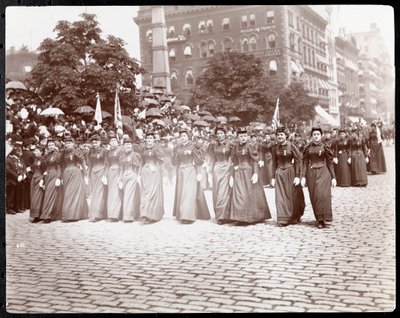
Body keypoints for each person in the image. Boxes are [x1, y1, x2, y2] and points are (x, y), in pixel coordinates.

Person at [229, 128, 271, 225]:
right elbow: (233, 159)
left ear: (247, 137)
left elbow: (255, 160)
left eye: (244, 136)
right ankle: (240, 217)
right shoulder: (235, 147)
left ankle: (249, 217)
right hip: (239, 172)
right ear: (237, 137)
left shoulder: (250, 146)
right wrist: (234, 168)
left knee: (249, 194)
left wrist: (256, 173)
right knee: (239, 194)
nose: (243, 138)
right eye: (241, 136)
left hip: (249, 171)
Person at [172, 129, 210, 224]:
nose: (182, 138)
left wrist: (199, 173)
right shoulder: (178, 147)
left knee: (188, 193)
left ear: (188, 137)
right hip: (181, 171)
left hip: (190, 170)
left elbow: (199, 160)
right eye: (181, 136)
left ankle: (188, 216)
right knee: (182, 193)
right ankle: (182, 214)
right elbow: (175, 162)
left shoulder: (193, 146)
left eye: (184, 136)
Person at [301, 127, 336, 229]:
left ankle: (324, 218)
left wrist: (333, 177)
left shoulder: (325, 146)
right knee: (314, 196)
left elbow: (330, 162)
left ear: (321, 136)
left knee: (322, 195)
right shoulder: (308, 148)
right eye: (314, 134)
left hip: (324, 173)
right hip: (311, 173)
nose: (316, 136)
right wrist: (303, 176)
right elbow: (304, 162)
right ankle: (319, 218)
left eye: (318, 134)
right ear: (311, 136)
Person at [271, 127, 305, 227]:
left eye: (281, 135)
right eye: (278, 135)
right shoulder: (275, 148)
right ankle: (283, 218)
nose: (279, 137)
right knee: (280, 196)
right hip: (280, 174)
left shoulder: (291, 146)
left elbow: (298, 160)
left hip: (290, 172)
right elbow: (274, 163)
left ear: (286, 135)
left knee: (292, 195)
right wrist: (272, 177)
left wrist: (298, 176)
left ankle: (294, 215)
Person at [207, 126, 233, 224]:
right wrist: (210, 170)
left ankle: (224, 215)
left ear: (225, 134)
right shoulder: (213, 145)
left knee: (224, 191)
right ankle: (218, 215)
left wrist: (232, 170)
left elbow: (232, 157)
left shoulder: (230, 144)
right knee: (217, 191)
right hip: (217, 168)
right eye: (218, 134)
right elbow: (212, 158)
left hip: (227, 167)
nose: (220, 135)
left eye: (221, 133)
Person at [138, 132, 165, 224]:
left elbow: (161, 160)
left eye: (151, 138)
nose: (149, 140)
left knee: (152, 193)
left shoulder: (157, 149)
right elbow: (141, 162)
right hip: (145, 172)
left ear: (154, 140)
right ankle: (145, 213)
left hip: (154, 172)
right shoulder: (143, 149)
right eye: (148, 138)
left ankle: (152, 215)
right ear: (146, 140)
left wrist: (158, 168)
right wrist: (139, 174)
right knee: (145, 192)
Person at [60, 136, 89, 221]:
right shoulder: (64, 153)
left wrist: (85, 174)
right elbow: (62, 164)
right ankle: (75, 214)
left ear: (73, 144)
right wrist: (61, 176)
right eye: (66, 143)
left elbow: (82, 161)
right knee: (67, 193)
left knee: (73, 193)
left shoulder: (76, 151)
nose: (67, 144)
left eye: (69, 143)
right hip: (66, 173)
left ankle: (72, 215)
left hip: (75, 173)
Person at [119, 137, 141, 222]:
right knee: (127, 195)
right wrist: (120, 179)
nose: (128, 146)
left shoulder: (135, 155)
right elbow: (121, 168)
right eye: (126, 144)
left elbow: (138, 166)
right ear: (123, 146)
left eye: (129, 144)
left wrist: (138, 176)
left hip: (132, 174)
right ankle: (133, 214)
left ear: (132, 145)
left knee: (129, 195)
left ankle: (128, 216)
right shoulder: (122, 156)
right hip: (125, 175)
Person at [40, 138, 62, 223]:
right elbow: (43, 166)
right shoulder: (46, 155)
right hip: (47, 175)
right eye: (49, 145)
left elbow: (59, 167)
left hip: (54, 174)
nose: (51, 146)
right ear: (47, 147)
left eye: (52, 145)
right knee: (47, 195)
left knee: (50, 195)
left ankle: (47, 216)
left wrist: (58, 178)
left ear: (55, 145)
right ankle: (47, 215)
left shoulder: (58, 155)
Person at [87, 134, 108, 222]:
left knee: (99, 193)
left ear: (99, 142)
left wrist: (105, 175)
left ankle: (97, 215)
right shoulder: (90, 152)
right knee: (94, 193)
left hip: (102, 171)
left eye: (96, 142)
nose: (95, 144)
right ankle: (97, 213)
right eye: (93, 143)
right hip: (93, 173)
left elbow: (107, 164)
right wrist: (87, 176)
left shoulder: (104, 151)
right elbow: (90, 165)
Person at [6, 142, 27, 214]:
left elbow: (24, 167)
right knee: (11, 195)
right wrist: (17, 176)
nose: (20, 153)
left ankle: (17, 207)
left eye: (20, 151)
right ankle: (10, 208)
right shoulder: (8, 159)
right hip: (11, 180)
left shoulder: (20, 160)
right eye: (18, 151)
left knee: (18, 194)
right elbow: (8, 170)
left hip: (20, 180)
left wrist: (24, 174)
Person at [106, 132, 122, 222]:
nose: (113, 142)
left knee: (116, 193)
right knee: (111, 193)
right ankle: (111, 214)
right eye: (111, 141)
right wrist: (105, 175)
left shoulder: (120, 150)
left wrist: (120, 176)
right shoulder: (108, 152)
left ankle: (116, 215)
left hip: (118, 171)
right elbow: (107, 164)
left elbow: (121, 164)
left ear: (117, 141)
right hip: (110, 172)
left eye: (114, 140)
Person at [29, 145, 46, 223]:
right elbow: (33, 167)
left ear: (41, 152)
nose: (34, 152)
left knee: (38, 197)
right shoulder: (36, 159)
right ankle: (35, 215)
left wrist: (43, 180)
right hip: (34, 178)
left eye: (36, 151)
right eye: (34, 151)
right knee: (33, 197)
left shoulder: (44, 160)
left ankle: (38, 215)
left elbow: (45, 171)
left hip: (39, 178)